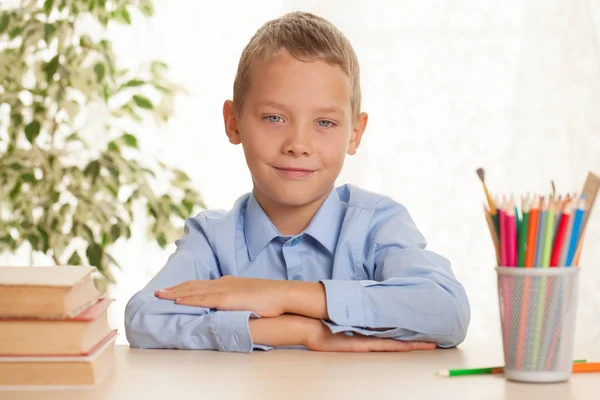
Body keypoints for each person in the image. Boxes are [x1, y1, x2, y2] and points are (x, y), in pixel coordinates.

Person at [124, 11, 470, 353]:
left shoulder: (376, 224)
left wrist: (283, 295)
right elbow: (145, 318)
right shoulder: (212, 239)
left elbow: (446, 310)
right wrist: (302, 330)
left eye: (324, 123)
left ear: (355, 133)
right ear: (234, 123)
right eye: (274, 117)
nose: (298, 145)